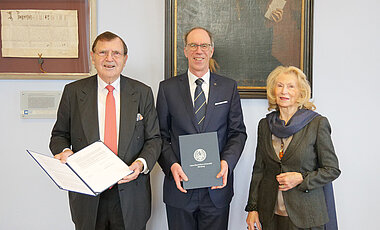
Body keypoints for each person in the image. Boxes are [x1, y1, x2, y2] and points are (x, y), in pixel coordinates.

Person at [49, 31, 161, 230]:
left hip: (130, 193)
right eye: (103, 52)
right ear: (93, 56)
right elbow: (59, 135)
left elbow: (154, 139)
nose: (109, 59)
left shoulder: (142, 92)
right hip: (88, 194)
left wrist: (140, 164)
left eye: (116, 53)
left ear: (125, 59)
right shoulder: (73, 92)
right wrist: (65, 151)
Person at [156, 27, 247, 230]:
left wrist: (227, 162)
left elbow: (237, 133)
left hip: (216, 188)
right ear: (185, 50)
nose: (199, 50)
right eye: (193, 45)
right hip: (180, 187)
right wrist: (172, 166)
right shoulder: (167, 88)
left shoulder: (228, 87)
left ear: (211, 50)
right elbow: (159, 135)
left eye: (204, 45)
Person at [245, 66, 341, 230]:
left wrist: (301, 178)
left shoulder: (317, 124)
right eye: (280, 85)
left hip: (306, 216)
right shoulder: (265, 125)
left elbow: (332, 169)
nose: (284, 91)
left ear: (301, 93)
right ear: (273, 90)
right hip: (270, 214)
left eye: (291, 86)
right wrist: (253, 208)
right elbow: (259, 170)